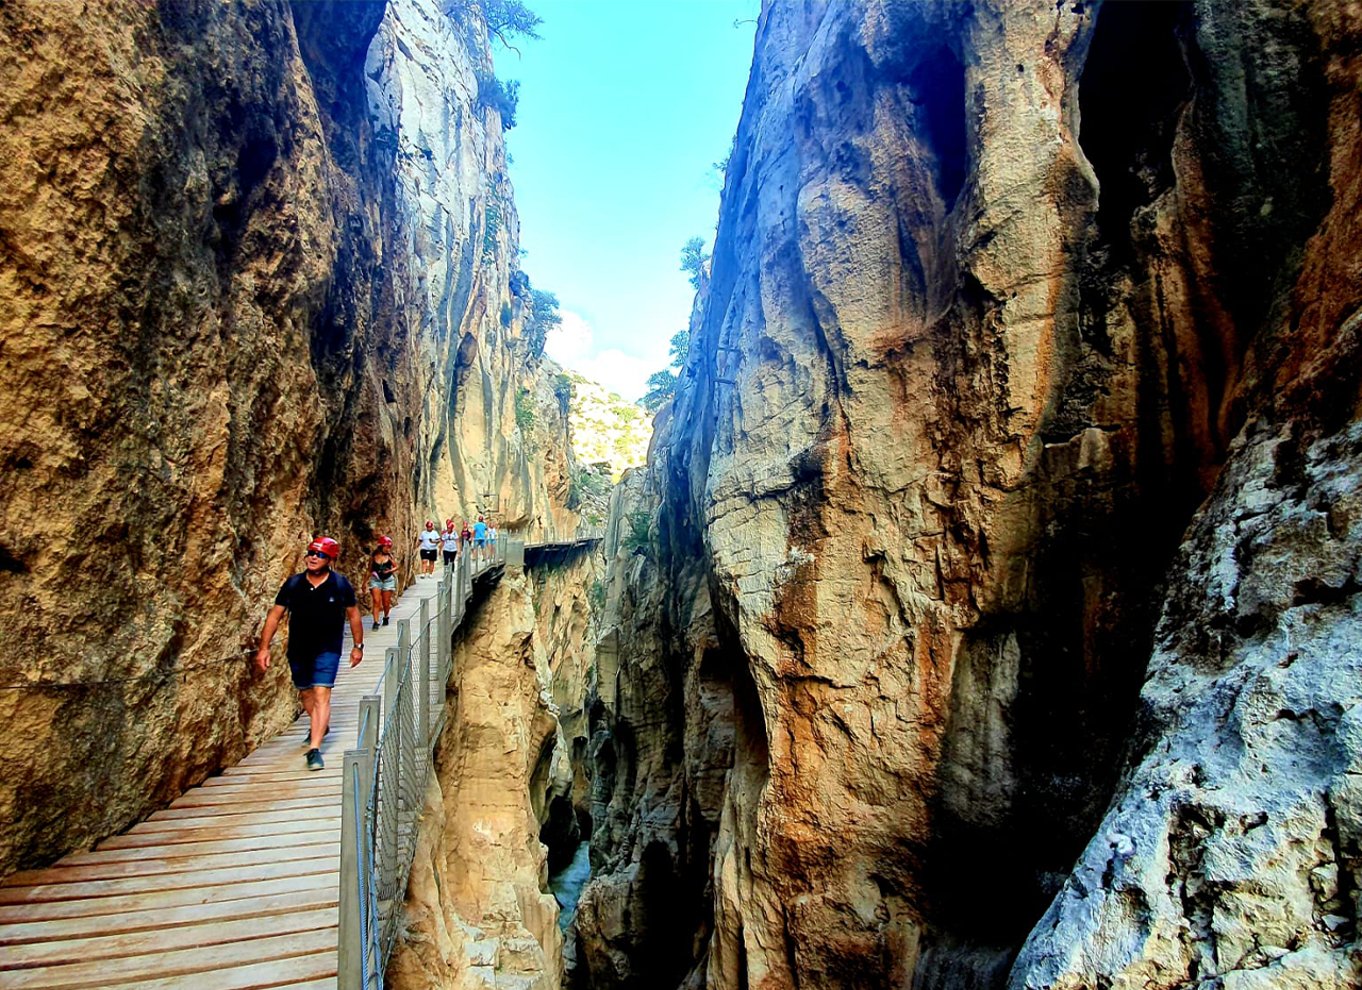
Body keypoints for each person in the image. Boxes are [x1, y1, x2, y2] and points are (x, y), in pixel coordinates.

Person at [256, 536, 363, 771]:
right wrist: (264, 648)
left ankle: (314, 749)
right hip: (298, 648)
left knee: (322, 693)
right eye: (312, 553)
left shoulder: (340, 584)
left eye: (321, 554)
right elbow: (275, 616)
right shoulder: (293, 585)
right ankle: (320, 725)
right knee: (305, 693)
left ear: (330, 560)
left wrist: (358, 646)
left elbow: (354, 615)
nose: (314, 557)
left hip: (328, 648)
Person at [369, 536, 397, 630]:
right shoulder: (374, 556)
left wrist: (389, 571)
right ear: (381, 546)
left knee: (386, 603)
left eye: (389, 547)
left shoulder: (389, 556)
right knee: (376, 601)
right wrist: (364, 583)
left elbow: (396, 566)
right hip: (376, 580)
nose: (388, 549)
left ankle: (386, 616)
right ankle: (376, 622)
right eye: (387, 547)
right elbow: (369, 569)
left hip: (388, 580)